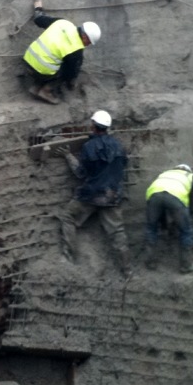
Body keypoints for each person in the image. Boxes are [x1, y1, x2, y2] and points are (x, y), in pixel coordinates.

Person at [59, 110, 131, 277]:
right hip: (112, 195)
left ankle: (68, 258)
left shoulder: (89, 147)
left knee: (68, 217)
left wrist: (68, 156)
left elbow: (81, 173)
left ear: (93, 126)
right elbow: (123, 165)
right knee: (117, 232)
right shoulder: (119, 146)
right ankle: (128, 271)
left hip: (91, 194)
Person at [23, 0, 101, 104]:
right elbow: (71, 74)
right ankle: (47, 90)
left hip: (27, 61)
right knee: (64, 69)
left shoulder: (63, 23)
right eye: (89, 42)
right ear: (85, 37)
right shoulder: (76, 50)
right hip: (40, 71)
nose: (87, 45)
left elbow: (39, 19)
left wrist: (38, 7)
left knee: (52, 59)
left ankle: (36, 86)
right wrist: (71, 84)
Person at [144, 164, 193, 274]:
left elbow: (161, 202)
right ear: (188, 170)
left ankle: (150, 262)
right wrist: (185, 220)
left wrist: (164, 225)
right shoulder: (191, 177)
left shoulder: (164, 174)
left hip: (153, 197)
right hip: (175, 198)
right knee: (186, 231)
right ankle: (186, 265)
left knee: (151, 229)